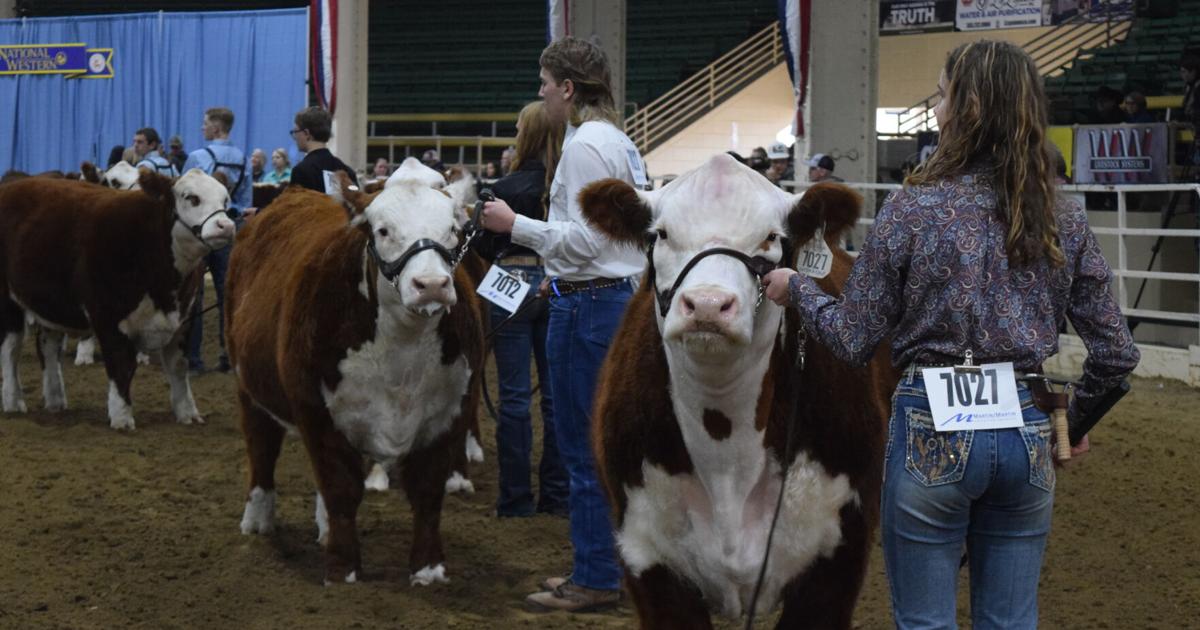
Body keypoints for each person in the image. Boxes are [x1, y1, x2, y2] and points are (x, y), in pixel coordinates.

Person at [762, 40, 1140, 629]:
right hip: (1024, 422)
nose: (934, 106)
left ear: (964, 108)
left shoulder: (913, 208)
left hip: (931, 420)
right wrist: (1073, 423)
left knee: (925, 621)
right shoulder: (1062, 214)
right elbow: (1116, 354)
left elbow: (854, 338)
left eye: (940, 94)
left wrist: (798, 290)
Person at [478, 35, 644, 614]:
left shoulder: (583, 148)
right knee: (596, 445)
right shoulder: (617, 142)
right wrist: (560, 270)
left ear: (568, 88)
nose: (542, 93)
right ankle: (597, 564)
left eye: (546, 84)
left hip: (591, 307)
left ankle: (596, 576)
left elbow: (591, 239)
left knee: (582, 446)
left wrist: (514, 224)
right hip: (604, 297)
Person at [470, 101, 567, 520]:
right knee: (555, 396)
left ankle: (515, 498)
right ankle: (557, 494)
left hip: (509, 281)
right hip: (557, 282)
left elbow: (483, 245)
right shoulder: (564, 187)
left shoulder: (503, 189)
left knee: (513, 397)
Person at [183, 106, 252, 374]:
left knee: (194, 292)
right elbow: (245, 201)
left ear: (216, 127)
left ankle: (193, 359)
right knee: (228, 292)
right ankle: (229, 355)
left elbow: (185, 194)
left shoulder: (198, 157)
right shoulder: (242, 158)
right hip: (229, 228)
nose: (202, 128)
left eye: (205, 123)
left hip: (201, 231)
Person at [288, 106, 358, 193]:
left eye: (295, 132)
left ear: (307, 133)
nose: (294, 137)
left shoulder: (300, 171)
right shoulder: (347, 171)